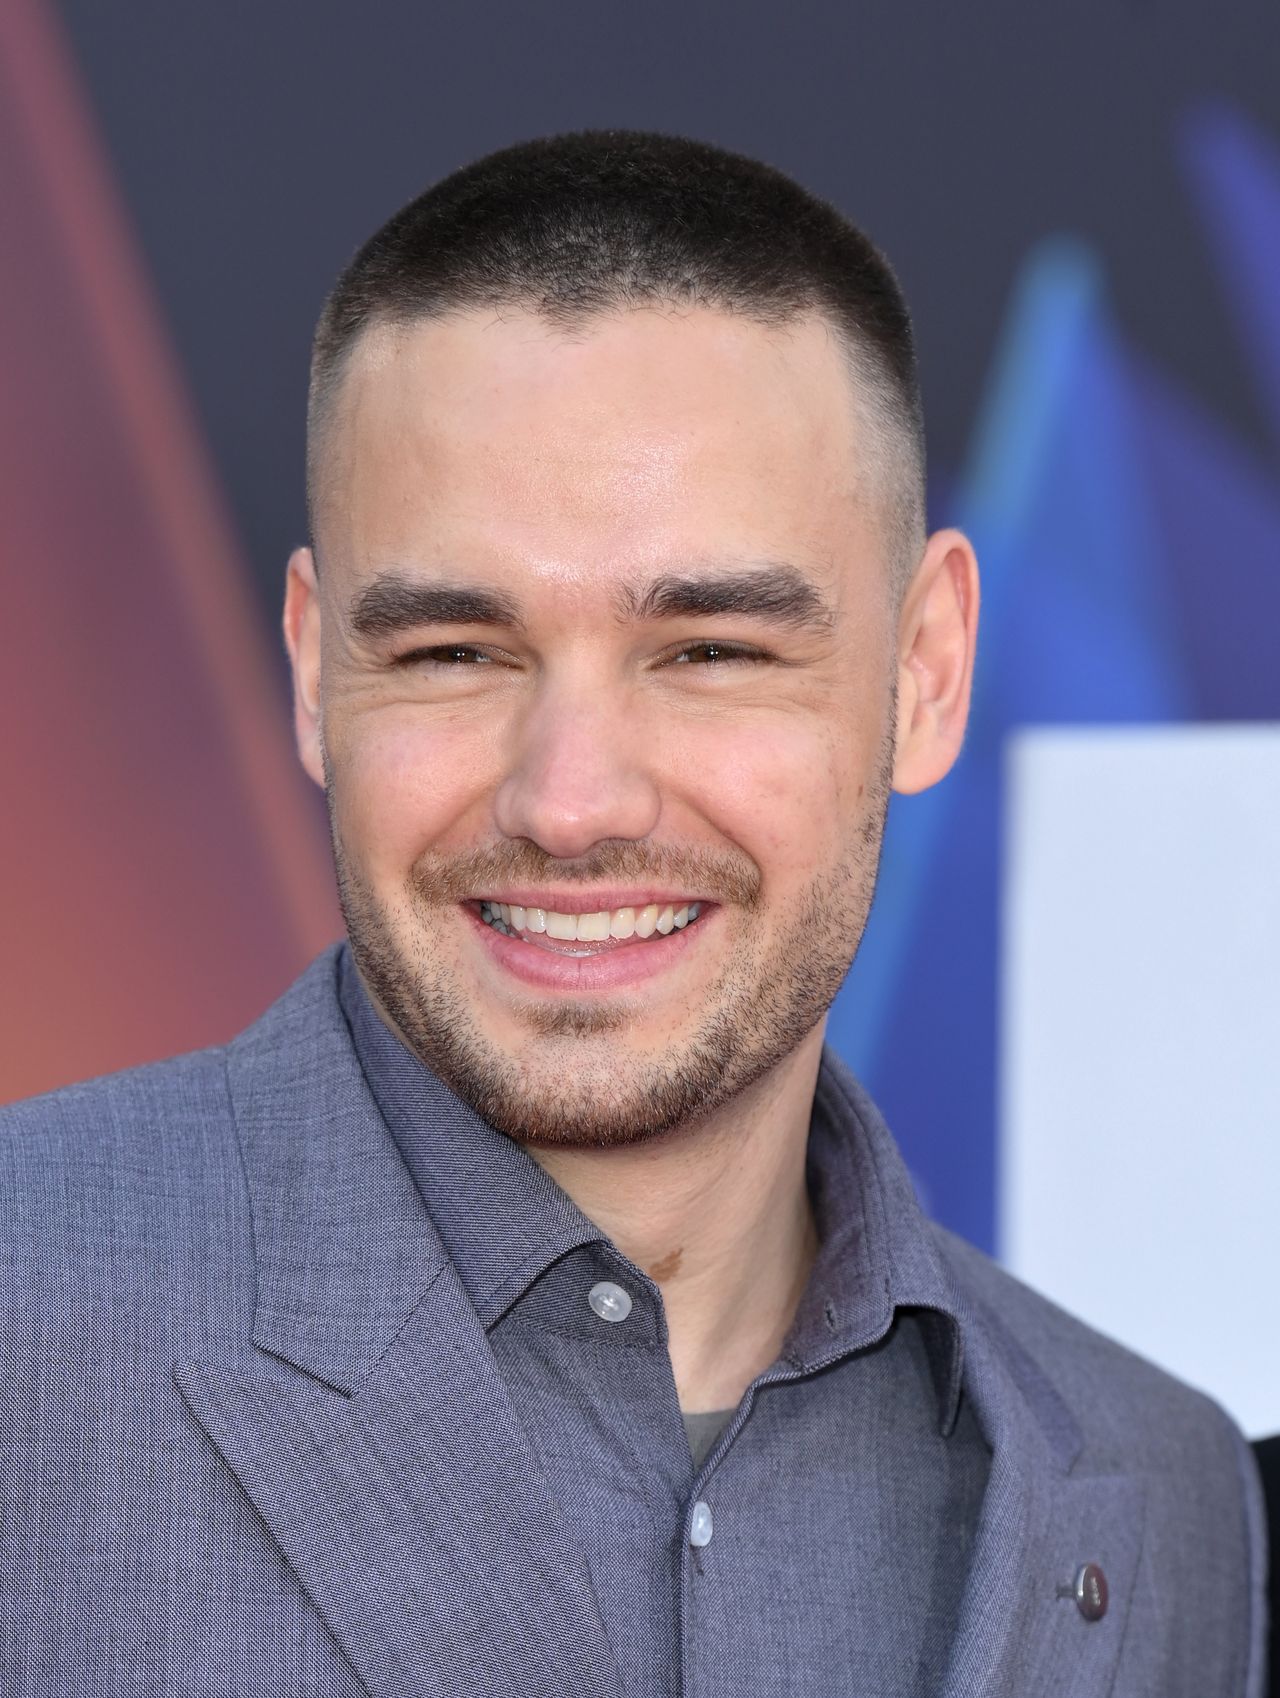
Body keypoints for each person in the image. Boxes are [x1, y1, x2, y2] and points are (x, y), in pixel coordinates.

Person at [0, 132, 1265, 1698]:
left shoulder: (1165, 1496)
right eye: (456, 649)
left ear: (925, 672)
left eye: (713, 650)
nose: (573, 798)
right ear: (319, 670)